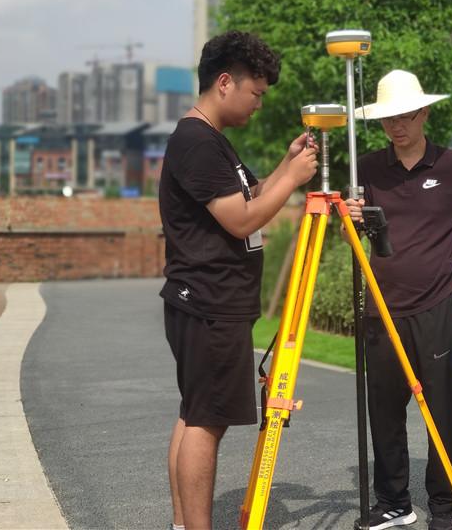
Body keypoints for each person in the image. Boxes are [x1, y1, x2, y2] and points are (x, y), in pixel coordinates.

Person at [159, 30, 318, 530]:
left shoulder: (210, 141)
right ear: (225, 82)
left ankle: (186, 524)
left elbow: (253, 195)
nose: (259, 104)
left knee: (195, 415)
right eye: (257, 92)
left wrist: (285, 167)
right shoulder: (196, 142)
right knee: (207, 421)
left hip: (205, 301)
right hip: (210, 302)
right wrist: (294, 182)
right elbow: (243, 220)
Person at [344, 70, 452, 530]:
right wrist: (350, 219)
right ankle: (395, 502)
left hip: (435, 307)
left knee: (442, 412)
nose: (397, 126)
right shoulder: (368, 169)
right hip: (381, 306)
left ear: (424, 113)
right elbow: (350, 234)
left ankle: (442, 507)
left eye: (406, 116)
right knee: (385, 410)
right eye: (388, 118)